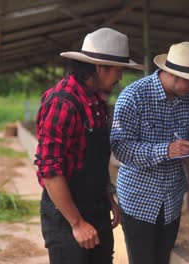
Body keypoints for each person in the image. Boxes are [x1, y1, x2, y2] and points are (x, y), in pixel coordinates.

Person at [35, 28, 144, 264]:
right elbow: (50, 170)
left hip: (96, 207)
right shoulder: (63, 103)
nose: (120, 78)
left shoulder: (95, 102)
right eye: (119, 70)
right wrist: (77, 223)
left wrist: (107, 196)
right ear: (99, 67)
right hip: (67, 215)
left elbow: (94, 160)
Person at [110, 41, 189, 263]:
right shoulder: (134, 96)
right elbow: (121, 147)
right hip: (139, 200)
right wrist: (166, 150)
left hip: (172, 199)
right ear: (173, 74)